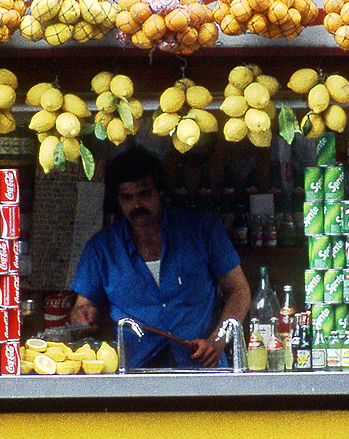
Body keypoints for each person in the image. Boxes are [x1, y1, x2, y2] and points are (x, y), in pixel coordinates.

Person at [70, 145, 251, 369]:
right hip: (135, 375)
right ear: (117, 199)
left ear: (161, 191)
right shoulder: (101, 248)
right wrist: (81, 317)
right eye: (127, 197)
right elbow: (82, 307)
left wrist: (218, 340)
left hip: (202, 369)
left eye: (144, 194)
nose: (136, 205)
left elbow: (240, 290)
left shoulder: (203, 231)